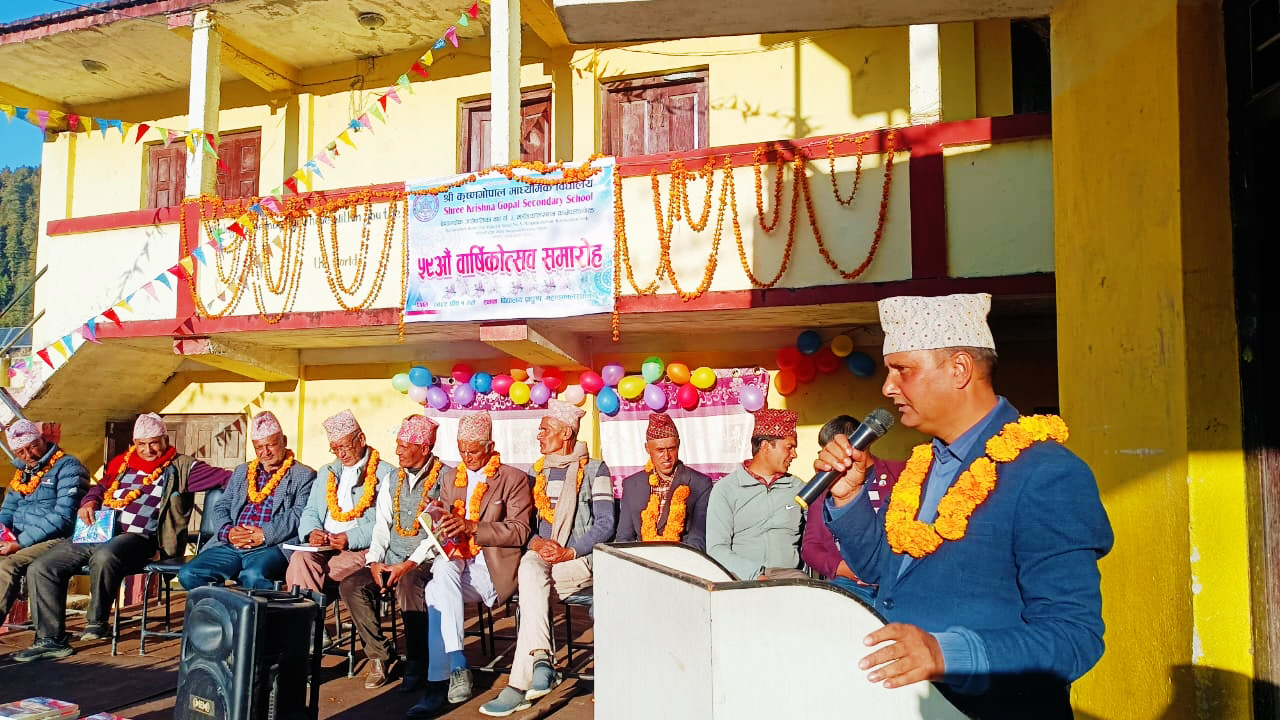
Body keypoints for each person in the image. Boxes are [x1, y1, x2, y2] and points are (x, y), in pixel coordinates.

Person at [815, 293, 1114, 719]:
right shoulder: (924, 466)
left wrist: (945, 652)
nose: (887, 388)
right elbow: (884, 574)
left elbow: (1073, 637)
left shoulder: (1046, 473)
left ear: (959, 370)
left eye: (903, 370)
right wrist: (849, 498)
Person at [17, 413, 232, 662]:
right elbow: (100, 487)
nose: (148, 449)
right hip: (98, 530)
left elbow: (229, 479)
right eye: (142, 444)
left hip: (140, 537)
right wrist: (89, 501)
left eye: (154, 442)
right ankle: (50, 640)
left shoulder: (182, 466)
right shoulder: (122, 462)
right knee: (42, 567)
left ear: (165, 439)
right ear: (134, 444)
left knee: (105, 555)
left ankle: (96, 622)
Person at [479, 400, 614, 717]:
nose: (539, 436)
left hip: (578, 560)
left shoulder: (595, 469)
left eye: (545, 430)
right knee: (529, 568)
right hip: (542, 560)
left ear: (565, 433)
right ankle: (539, 661)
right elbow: (527, 526)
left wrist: (569, 550)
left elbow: (605, 524)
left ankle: (523, 680)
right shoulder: (534, 472)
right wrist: (538, 542)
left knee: (529, 587)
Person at [407, 411, 534, 718]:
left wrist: (472, 527)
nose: (467, 457)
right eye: (462, 450)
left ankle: (438, 684)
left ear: (490, 446)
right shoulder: (451, 477)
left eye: (474, 451)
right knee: (441, 575)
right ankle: (458, 664)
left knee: (436, 592)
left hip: (490, 568)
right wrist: (438, 516)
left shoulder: (513, 478)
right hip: (457, 562)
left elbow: (520, 531)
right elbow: (449, 524)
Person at [339, 415, 446, 690]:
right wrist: (374, 561)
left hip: (427, 560)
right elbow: (382, 526)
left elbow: (439, 535)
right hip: (390, 559)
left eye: (403, 445)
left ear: (424, 449)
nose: (396, 451)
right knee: (351, 586)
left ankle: (417, 661)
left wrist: (408, 565)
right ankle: (379, 655)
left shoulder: (446, 478)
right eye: (397, 445)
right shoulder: (391, 478)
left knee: (409, 584)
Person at [177, 411, 316, 591]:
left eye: (271, 445)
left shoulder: (303, 474)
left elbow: (299, 514)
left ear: (284, 441)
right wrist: (228, 532)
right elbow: (221, 506)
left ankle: (260, 618)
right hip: (232, 543)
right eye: (259, 447)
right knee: (190, 574)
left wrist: (264, 534)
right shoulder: (242, 471)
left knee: (253, 576)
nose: (265, 452)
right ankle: (224, 614)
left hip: (271, 545)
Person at [286, 409, 395, 596]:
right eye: (335, 448)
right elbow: (311, 510)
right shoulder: (326, 471)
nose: (341, 454)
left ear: (361, 439)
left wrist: (350, 538)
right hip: (324, 545)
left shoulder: (386, 474)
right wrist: (312, 532)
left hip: (360, 549)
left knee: (311, 574)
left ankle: (305, 622)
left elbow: (387, 521)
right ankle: (308, 621)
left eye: (344, 447)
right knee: (300, 559)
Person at [800, 414, 899, 603]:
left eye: (833, 449)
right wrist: (845, 569)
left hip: (895, 579)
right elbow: (810, 548)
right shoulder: (825, 487)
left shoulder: (900, 473)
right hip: (848, 583)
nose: (828, 456)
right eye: (825, 451)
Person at [0, 420, 89, 625]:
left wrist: (19, 543)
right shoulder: (22, 472)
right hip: (19, 537)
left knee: (8, 566)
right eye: (21, 452)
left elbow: (63, 517)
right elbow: (8, 510)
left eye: (33, 446)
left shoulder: (68, 466)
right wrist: (1, 532)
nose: (29, 455)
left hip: (56, 538)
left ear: (42, 439)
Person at [705, 408, 807, 581]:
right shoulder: (726, 489)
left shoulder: (798, 488)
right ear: (765, 446)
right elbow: (716, 549)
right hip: (740, 580)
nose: (794, 455)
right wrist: (753, 575)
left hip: (790, 579)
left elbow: (823, 532)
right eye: (789, 447)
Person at [614, 412, 712, 550]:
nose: (666, 456)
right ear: (647, 449)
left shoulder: (700, 484)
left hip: (681, 563)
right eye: (660, 450)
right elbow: (624, 538)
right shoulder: (631, 485)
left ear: (678, 445)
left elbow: (698, 538)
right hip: (642, 563)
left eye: (671, 449)